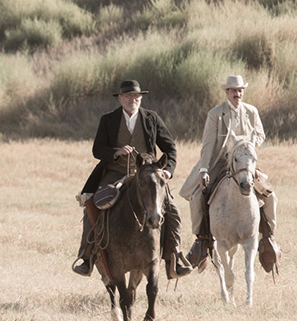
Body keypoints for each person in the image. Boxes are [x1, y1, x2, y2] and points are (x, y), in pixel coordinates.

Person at [73, 79, 193, 279]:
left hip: (148, 175)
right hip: (115, 172)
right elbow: (97, 150)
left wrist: (168, 172)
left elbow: (170, 148)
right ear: (120, 99)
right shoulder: (108, 119)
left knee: (173, 210)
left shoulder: (152, 118)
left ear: (141, 98)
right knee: (93, 204)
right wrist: (116, 151)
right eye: (128, 96)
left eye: (136, 96)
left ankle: (174, 258)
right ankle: (87, 257)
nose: (133, 99)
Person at [179, 75, 278, 269]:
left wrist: (247, 145)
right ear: (227, 92)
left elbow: (260, 134)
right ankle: (201, 240)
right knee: (197, 196)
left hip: (244, 162)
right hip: (220, 162)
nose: (237, 94)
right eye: (233, 90)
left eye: (240, 90)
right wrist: (204, 169)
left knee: (270, 196)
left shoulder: (252, 111)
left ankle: (269, 238)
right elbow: (208, 144)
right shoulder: (215, 114)